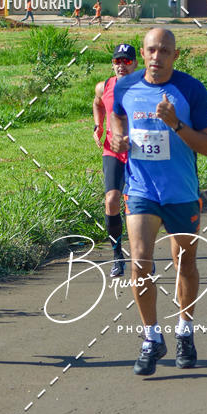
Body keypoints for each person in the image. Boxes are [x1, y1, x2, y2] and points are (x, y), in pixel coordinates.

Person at [110, 27, 207, 376]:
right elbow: (116, 114)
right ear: (142, 53)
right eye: (151, 50)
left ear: (175, 55)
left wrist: (176, 125)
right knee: (139, 262)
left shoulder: (191, 89)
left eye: (165, 51)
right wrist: (118, 135)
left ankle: (185, 330)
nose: (157, 57)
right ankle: (151, 337)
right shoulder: (125, 86)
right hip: (141, 190)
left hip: (181, 192)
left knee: (185, 263)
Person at [93, 43, 139, 276]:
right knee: (111, 200)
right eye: (117, 61)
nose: (121, 65)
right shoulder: (104, 86)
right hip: (112, 150)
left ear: (135, 63)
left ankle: (142, 255)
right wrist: (98, 125)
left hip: (138, 151)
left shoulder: (144, 87)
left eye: (126, 61)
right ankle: (117, 255)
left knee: (134, 205)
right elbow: (98, 103)